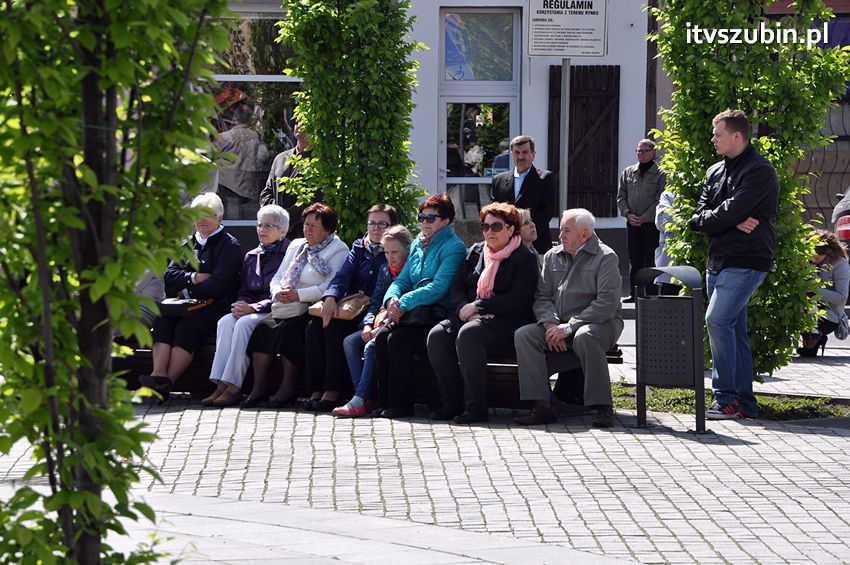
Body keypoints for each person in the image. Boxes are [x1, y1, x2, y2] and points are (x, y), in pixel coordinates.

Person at [689, 109, 779, 420]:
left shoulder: (760, 171)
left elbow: (726, 212)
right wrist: (726, 220)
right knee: (734, 330)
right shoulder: (714, 171)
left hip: (748, 260)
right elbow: (698, 217)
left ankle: (725, 399)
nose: (712, 139)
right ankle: (745, 406)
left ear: (737, 136)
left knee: (716, 320)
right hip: (718, 260)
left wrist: (722, 218)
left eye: (718, 134)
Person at [427, 203, 538, 424]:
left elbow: (518, 300)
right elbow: (456, 288)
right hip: (471, 318)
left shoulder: (523, 259)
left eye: (496, 226)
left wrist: (478, 307)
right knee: (437, 336)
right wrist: (462, 310)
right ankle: (452, 403)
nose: (489, 232)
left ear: (511, 229)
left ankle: (476, 408)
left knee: (469, 334)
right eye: (485, 227)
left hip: (508, 323)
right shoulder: (475, 252)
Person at [513, 209, 624, 428]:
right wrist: (551, 323)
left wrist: (570, 327)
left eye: (566, 230)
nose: (560, 235)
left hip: (601, 324)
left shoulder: (606, 257)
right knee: (524, 335)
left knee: (585, 335)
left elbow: (606, 304)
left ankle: (602, 407)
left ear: (584, 235)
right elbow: (542, 297)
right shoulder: (553, 256)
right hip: (559, 323)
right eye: (560, 229)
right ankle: (542, 405)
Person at [140, 193, 243, 401]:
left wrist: (186, 288)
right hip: (184, 305)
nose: (201, 221)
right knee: (163, 322)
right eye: (197, 215)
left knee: (187, 327)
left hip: (216, 305)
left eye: (208, 215)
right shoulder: (188, 243)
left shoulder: (229, 245)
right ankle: (158, 374)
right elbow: (168, 276)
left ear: (219, 218)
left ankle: (167, 382)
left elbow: (219, 284)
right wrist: (195, 277)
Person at [245, 204, 348, 408]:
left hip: (310, 306)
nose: (307, 230)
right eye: (306, 225)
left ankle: (288, 388)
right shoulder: (297, 246)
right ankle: (259, 387)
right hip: (285, 303)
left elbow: (329, 285)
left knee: (291, 331)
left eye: (314, 226)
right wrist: (278, 293)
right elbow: (277, 277)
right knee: (262, 329)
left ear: (328, 229)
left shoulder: (338, 249)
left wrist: (298, 295)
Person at [373, 193, 467, 418]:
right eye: (421, 217)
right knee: (383, 336)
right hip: (414, 314)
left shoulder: (453, 247)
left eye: (430, 218)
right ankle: (385, 401)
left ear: (446, 221)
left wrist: (403, 303)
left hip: (437, 315)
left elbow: (439, 287)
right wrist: (392, 301)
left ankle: (402, 404)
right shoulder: (417, 243)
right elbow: (403, 280)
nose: (424, 222)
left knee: (398, 340)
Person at [302, 204, 399, 412]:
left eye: (382, 223)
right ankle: (316, 389)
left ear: (392, 226)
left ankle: (334, 390)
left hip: (374, 310)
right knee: (315, 325)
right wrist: (331, 296)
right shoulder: (360, 246)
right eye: (372, 223)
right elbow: (343, 275)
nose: (376, 228)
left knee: (334, 330)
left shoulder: (395, 250)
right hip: (351, 307)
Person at [201, 205, 291, 407]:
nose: (262, 230)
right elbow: (245, 288)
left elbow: (281, 292)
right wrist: (241, 304)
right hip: (251, 308)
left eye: (268, 226)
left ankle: (233, 386)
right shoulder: (251, 255)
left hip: (273, 310)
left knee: (243, 324)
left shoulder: (289, 254)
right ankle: (219, 384)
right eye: (259, 225)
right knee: (225, 321)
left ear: (283, 230)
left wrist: (254, 308)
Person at [334, 225, 414, 417]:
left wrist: (381, 327)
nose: (390, 257)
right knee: (349, 342)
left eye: (395, 252)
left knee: (371, 346)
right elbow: (375, 300)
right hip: (379, 320)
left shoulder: (411, 270)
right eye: (386, 252)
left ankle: (359, 399)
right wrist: (368, 324)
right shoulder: (385, 269)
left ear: (407, 250)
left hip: (399, 323)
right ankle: (365, 397)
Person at [617, 139, 666, 301]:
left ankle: (651, 293)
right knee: (635, 258)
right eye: (638, 151)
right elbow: (621, 197)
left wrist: (644, 218)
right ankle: (635, 293)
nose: (641, 154)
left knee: (650, 258)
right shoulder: (628, 172)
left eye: (644, 151)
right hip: (632, 223)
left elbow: (660, 200)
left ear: (653, 152)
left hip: (650, 225)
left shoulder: (661, 174)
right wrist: (628, 214)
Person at [490, 135, 557, 255]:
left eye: (525, 152)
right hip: (505, 244)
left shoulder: (545, 178)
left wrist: (523, 231)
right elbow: (495, 212)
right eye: (517, 152)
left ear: (533, 154)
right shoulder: (498, 180)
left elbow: (547, 211)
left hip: (536, 244)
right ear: (512, 154)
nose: (520, 157)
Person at [797, 230, 850, 357]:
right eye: (812, 253)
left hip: (830, 315)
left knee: (810, 305)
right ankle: (811, 341)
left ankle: (815, 338)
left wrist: (812, 290)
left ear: (829, 253)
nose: (814, 257)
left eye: (819, 255)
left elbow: (841, 298)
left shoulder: (840, 265)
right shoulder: (804, 260)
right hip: (805, 307)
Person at [258, 121, 314, 237]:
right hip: (275, 232)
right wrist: (275, 217)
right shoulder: (280, 158)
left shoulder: (320, 160)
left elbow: (314, 198)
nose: (300, 125)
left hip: (302, 232)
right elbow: (267, 192)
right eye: (298, 121)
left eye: (305, 122)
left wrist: (287, 220)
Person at [215, 102, 271, 218]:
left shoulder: (225, 137)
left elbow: (208, 154)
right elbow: (263, 155)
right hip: (248, 187)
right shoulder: (257, 137)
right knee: (245, 219)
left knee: (231, 219)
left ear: (235, 118)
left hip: (227, 187)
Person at [653, 189, 681, 295]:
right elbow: (662, 220)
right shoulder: (668, 194)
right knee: (668, 303)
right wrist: (688, 217)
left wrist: (675, 213)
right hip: (670, 264)